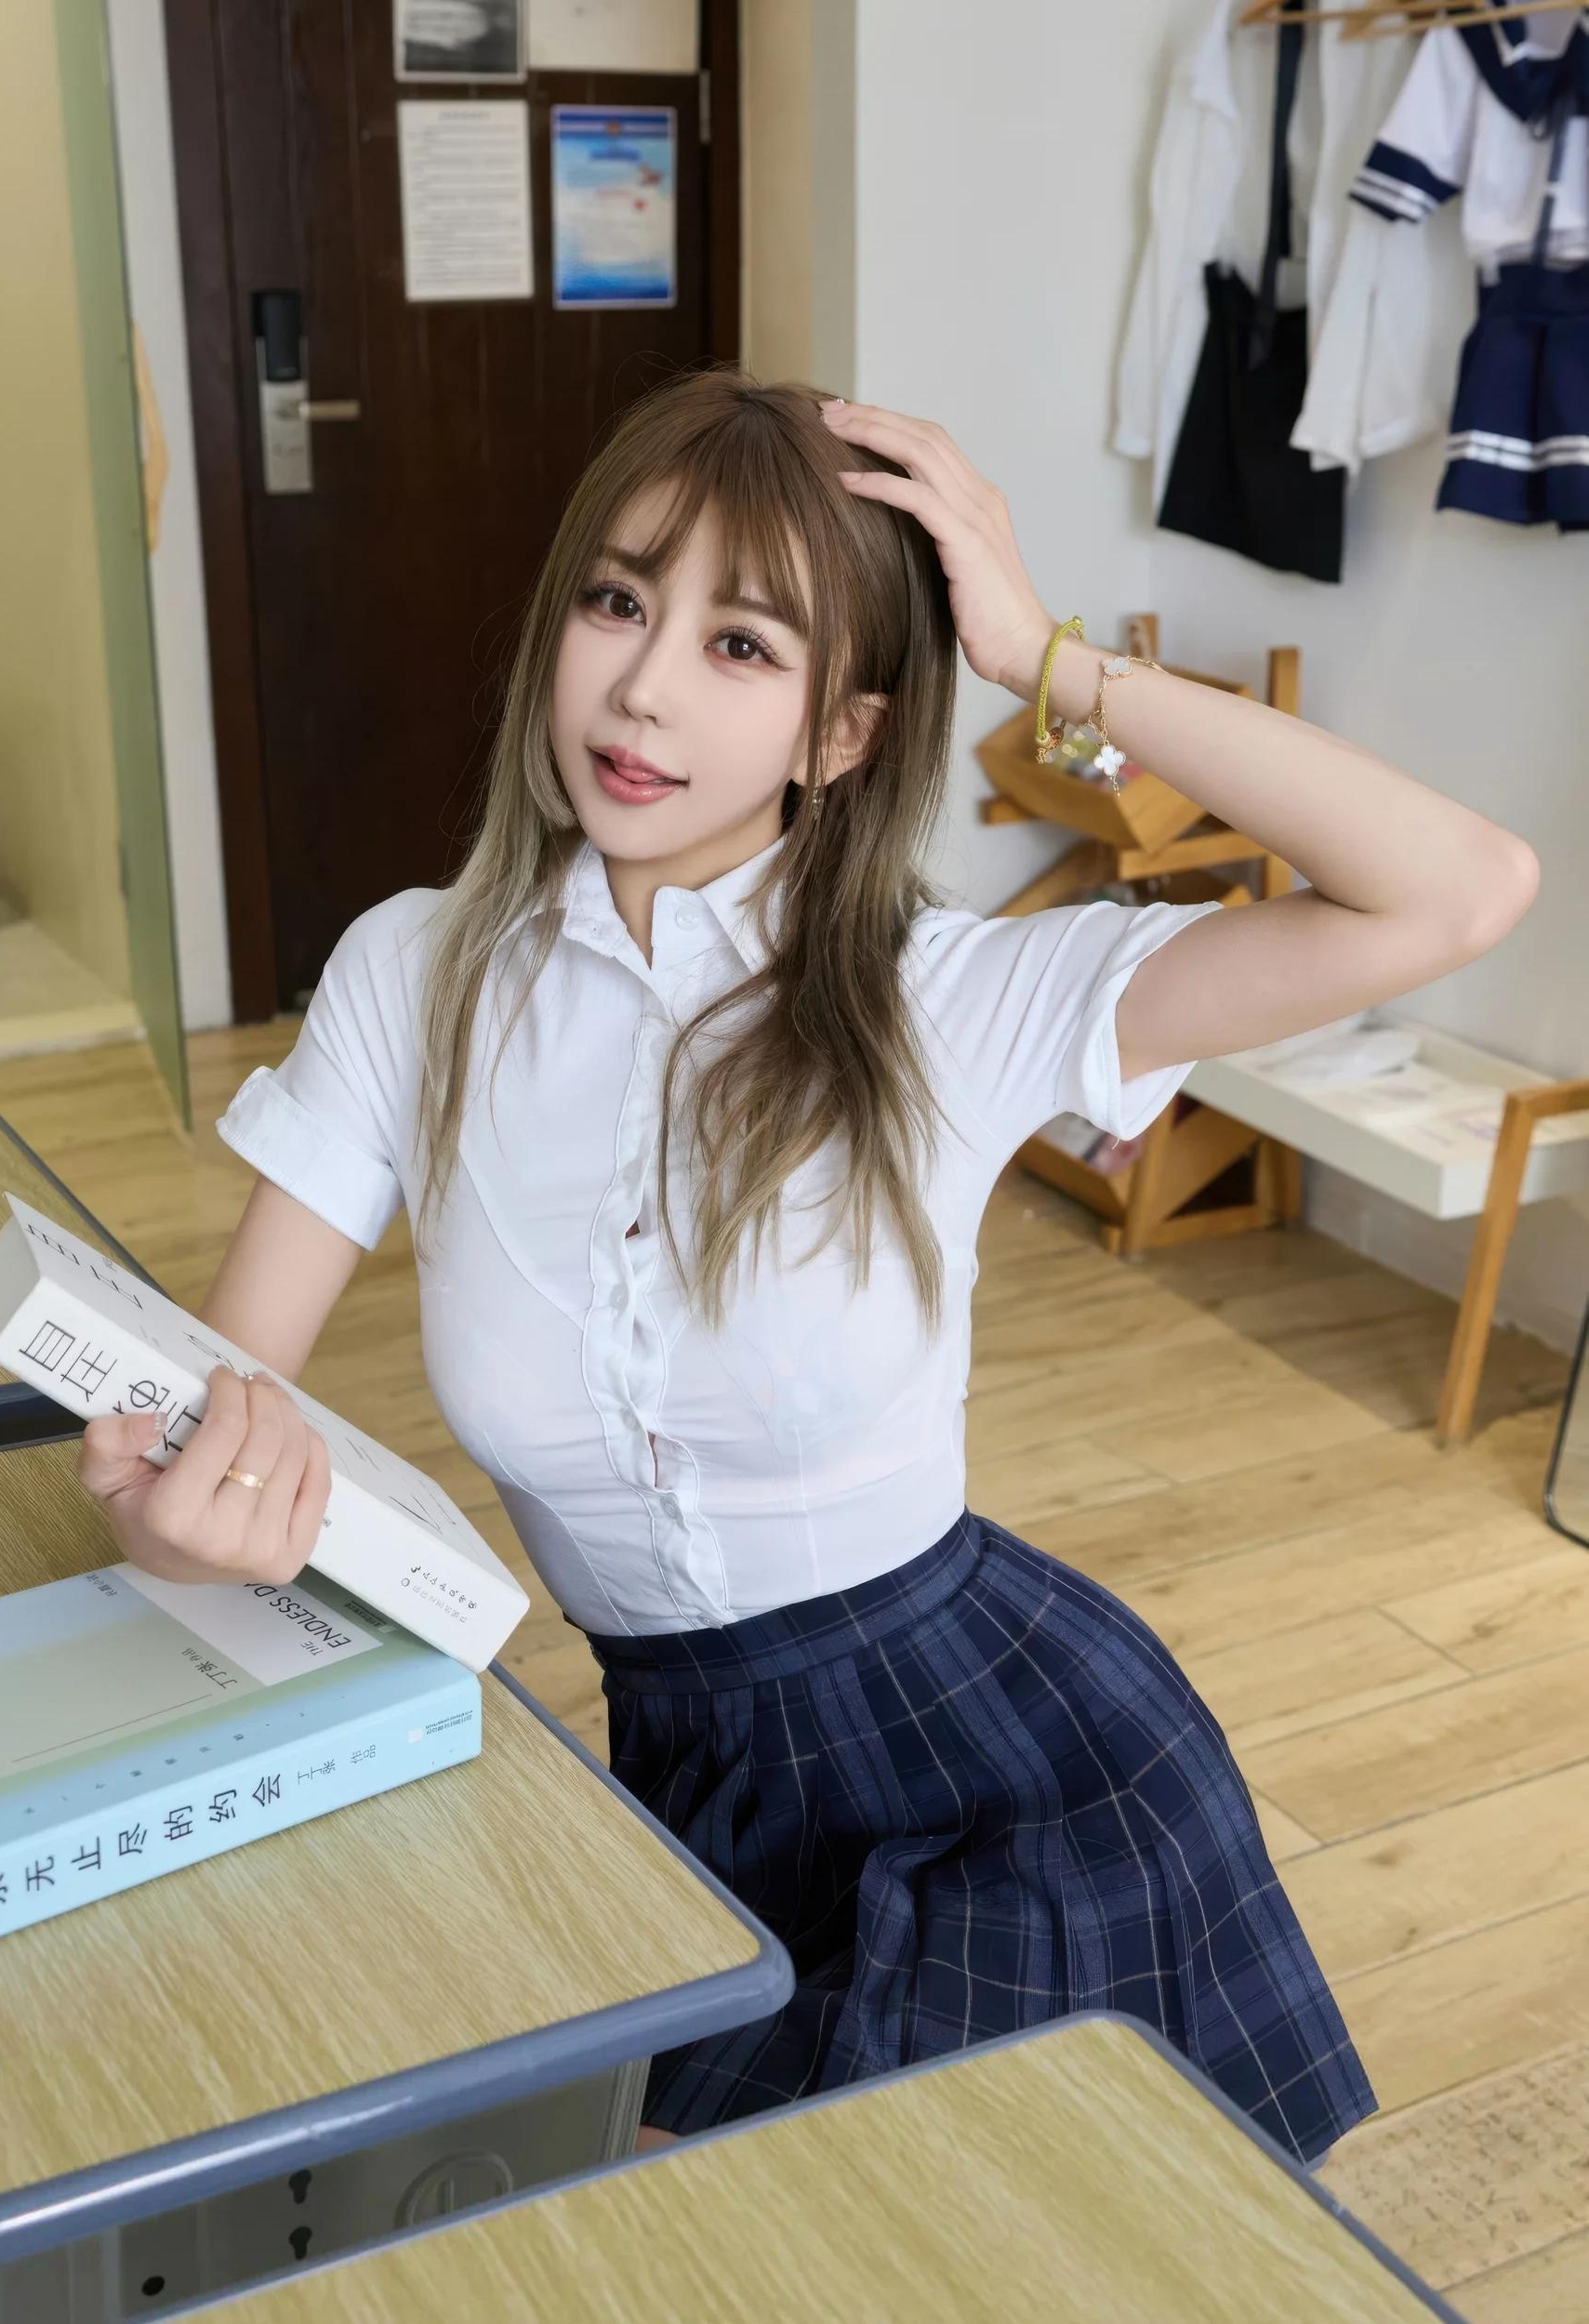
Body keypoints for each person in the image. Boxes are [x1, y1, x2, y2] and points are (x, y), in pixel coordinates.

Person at [79, 369, 1538, 2172]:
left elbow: (1459, 889)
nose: (643, 687)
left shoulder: (950, 996)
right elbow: (210, 1401)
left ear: (842, 734)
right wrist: (178, 1517)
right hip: (674, 1764)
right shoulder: (415, 976)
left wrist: (1050, 659)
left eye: (740, 644)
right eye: (617, 601)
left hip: (1007, 1767)